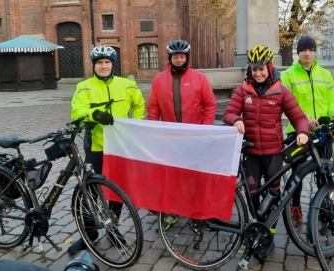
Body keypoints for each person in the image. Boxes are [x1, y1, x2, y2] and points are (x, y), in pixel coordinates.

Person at [223, 45, 310, 256]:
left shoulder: (280, 90)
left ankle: (268, 233)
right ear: (250, 71)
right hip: (251, 154)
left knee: (273, 195)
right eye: (254, 69)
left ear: (269, 68)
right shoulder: (244, 90)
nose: (258, 73)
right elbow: (228, 113)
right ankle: (255, 228)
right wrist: (236, 120)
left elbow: (298, 117)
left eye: (262, 69)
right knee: (252, 195)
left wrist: (302, 132)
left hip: (273, 154)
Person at [69, 45, 145, 254]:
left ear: (113, 64)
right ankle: (90, 235)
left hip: (120, 146)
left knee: (115, 190)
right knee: (90, 191)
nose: (104, 66)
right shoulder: (84, 86)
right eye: (100, 63)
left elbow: (139, 105)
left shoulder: (127, 85)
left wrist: (134, 125)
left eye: (107, 62)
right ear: (94, 65)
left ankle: (112, 229)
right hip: (96, 146)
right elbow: (76, 111)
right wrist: (94, 115)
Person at [147, 39, 217, 230]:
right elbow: (153, 108)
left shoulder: (199, 78)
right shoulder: (159, 79)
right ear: (170, 58)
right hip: (170, 138)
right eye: (175, 57)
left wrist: (205, 128)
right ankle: (172, 212)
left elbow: (210, 105)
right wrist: (154, 130)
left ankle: (198, 212)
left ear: (187, 57)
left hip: (193, 137)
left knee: (195, 176)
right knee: (172, 177)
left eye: (182, 56)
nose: (179, 60)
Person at [280, 36, 334, 230]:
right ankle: (295, 207)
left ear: (315, 52)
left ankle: (324, 208)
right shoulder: (288, 75)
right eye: (303, 49)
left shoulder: (325, 74)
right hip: (297, 132)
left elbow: (331, 100)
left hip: (322, 132)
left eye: (311, 49)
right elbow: (285, 104)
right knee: (296, 174)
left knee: (324, 173)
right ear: (298, 52)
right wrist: (303, 117)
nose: (307, 53)